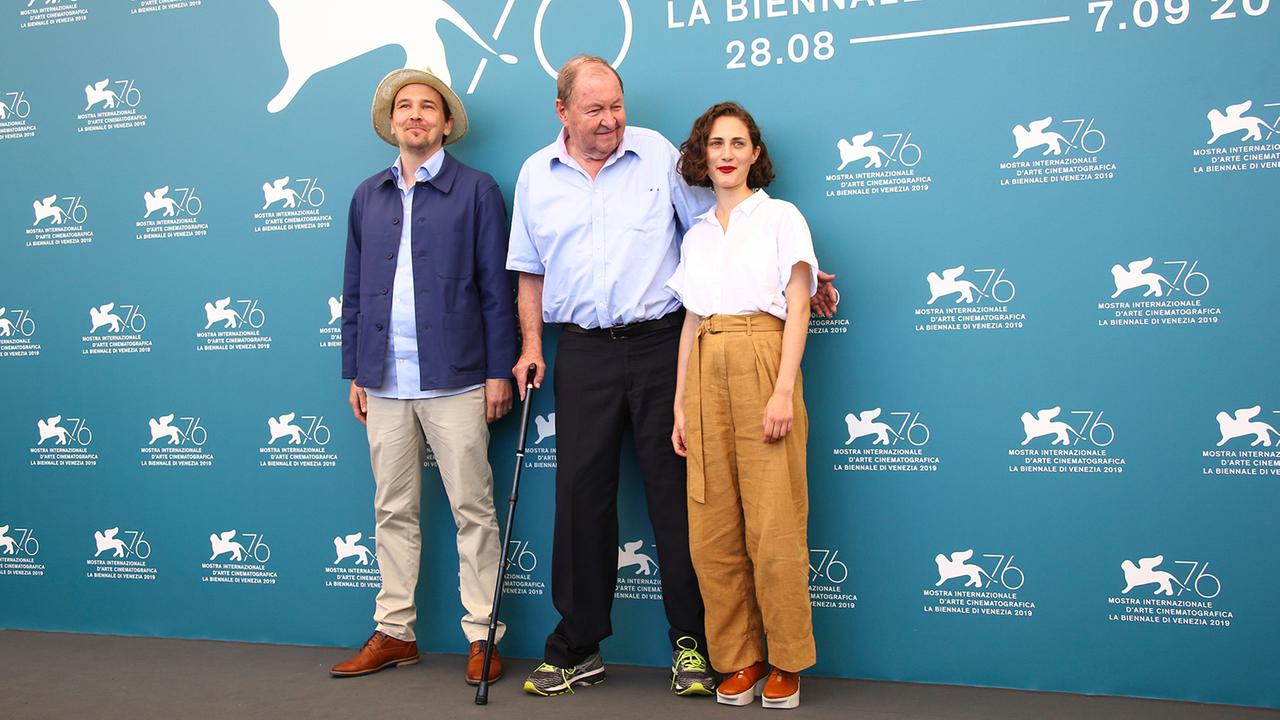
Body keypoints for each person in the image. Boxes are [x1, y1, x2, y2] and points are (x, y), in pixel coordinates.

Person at [505, 55, 836, 698]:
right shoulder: (534, 177)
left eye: (616, 106)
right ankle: (576, 645)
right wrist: (529, 344)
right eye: (595, 110)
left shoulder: (657, 154)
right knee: (579, 499)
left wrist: (798, 276)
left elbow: (718, 229)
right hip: (582, 351)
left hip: (663, 344)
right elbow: (529, 270)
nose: (610, 121)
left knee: (682, 497)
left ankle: (694, 643)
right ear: (563, 112)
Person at [333, 67, 516, 687]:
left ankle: (484, 634)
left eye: (427, 107)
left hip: (459, 378)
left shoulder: (477, 189)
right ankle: (395, 633)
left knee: (473, 508)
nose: (415, 115)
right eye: (404, 106)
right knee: (393, 509)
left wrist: (499, 371)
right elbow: (354, 291)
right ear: (391, 122)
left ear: (445, 123)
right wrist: (356, 369)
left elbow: (498, 289)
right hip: (382, 381)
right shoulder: (367, 196)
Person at [668, 102, 817, 710]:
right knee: (712, 529)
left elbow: (799, 302)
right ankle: (740, 657)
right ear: (703, 156)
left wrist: (783, 388)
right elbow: (691, 320)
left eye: (738, 142)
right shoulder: (698, 232)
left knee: (774, 522)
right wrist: (680, 404)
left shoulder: (781, 217)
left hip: (762, 357)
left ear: (756, 153)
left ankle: (786, 660)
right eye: (716, 143)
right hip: (704, 366)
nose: (726, 153)